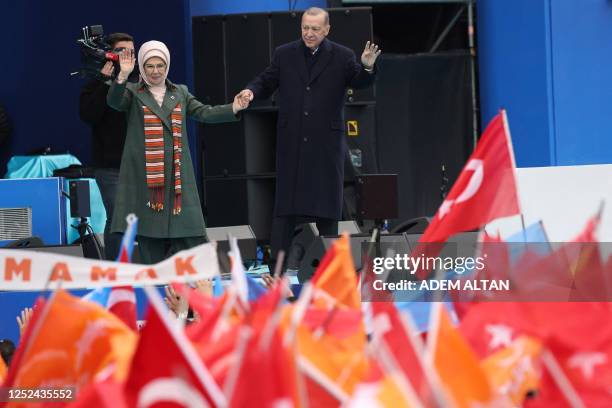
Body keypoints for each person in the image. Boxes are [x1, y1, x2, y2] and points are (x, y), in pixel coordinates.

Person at [237, 7, 381, 272]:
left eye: (315, 29)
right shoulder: (285, 53)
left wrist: (367, 66)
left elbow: (360, 82)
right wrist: (250, 92)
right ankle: (276, 271)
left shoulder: (341, 55)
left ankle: (330, 269)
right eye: (305, 27)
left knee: (328, 210)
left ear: (327, 30)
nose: (309, 33)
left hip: (325, 145)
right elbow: (266, 80)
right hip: (292, 143)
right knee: (284, 211)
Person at [108, 40, 249, 264]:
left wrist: (233, 108)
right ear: (142, 68)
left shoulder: (180, 92)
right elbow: (115, 102)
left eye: (160, 65)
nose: (155, 71)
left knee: (193, 240)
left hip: (177, 180)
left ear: (168, 66)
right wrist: (122, 76)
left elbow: (204, 112)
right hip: (149, 183)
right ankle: (154, 294)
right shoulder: (133, 92)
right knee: (149, 246)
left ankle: (201, 293)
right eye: (150, 66)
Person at [79, 32, 136, 260]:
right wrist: (105, 82)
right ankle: (117, 270)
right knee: (117, 217)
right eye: (123, 51)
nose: (128, 56)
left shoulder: (139, 81)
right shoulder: (96, 84)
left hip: (138, 163)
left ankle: (141, 266)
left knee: (143, 217)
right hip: (110, 166)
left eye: (132, 51)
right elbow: (88, 115)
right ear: (110, 54)